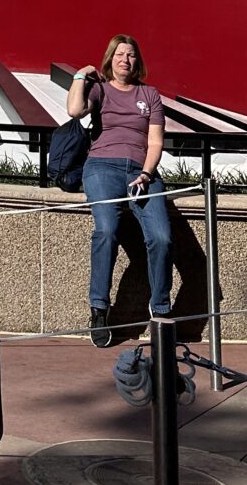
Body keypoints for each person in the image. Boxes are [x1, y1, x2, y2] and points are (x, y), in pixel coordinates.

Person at [67, 34, 172, 347]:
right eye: (120, 55)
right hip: (102, 168)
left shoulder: (149, 94)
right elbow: (74, 110)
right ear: (110, 59)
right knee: (107, 230)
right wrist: (80, 75)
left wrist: (146, 173)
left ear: (138, 61)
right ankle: (99, 309)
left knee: (161, 238)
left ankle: (161, 310)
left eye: (131, 55)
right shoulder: (99, 90)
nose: (126, 60)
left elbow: (155, 142)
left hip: (142, 172)